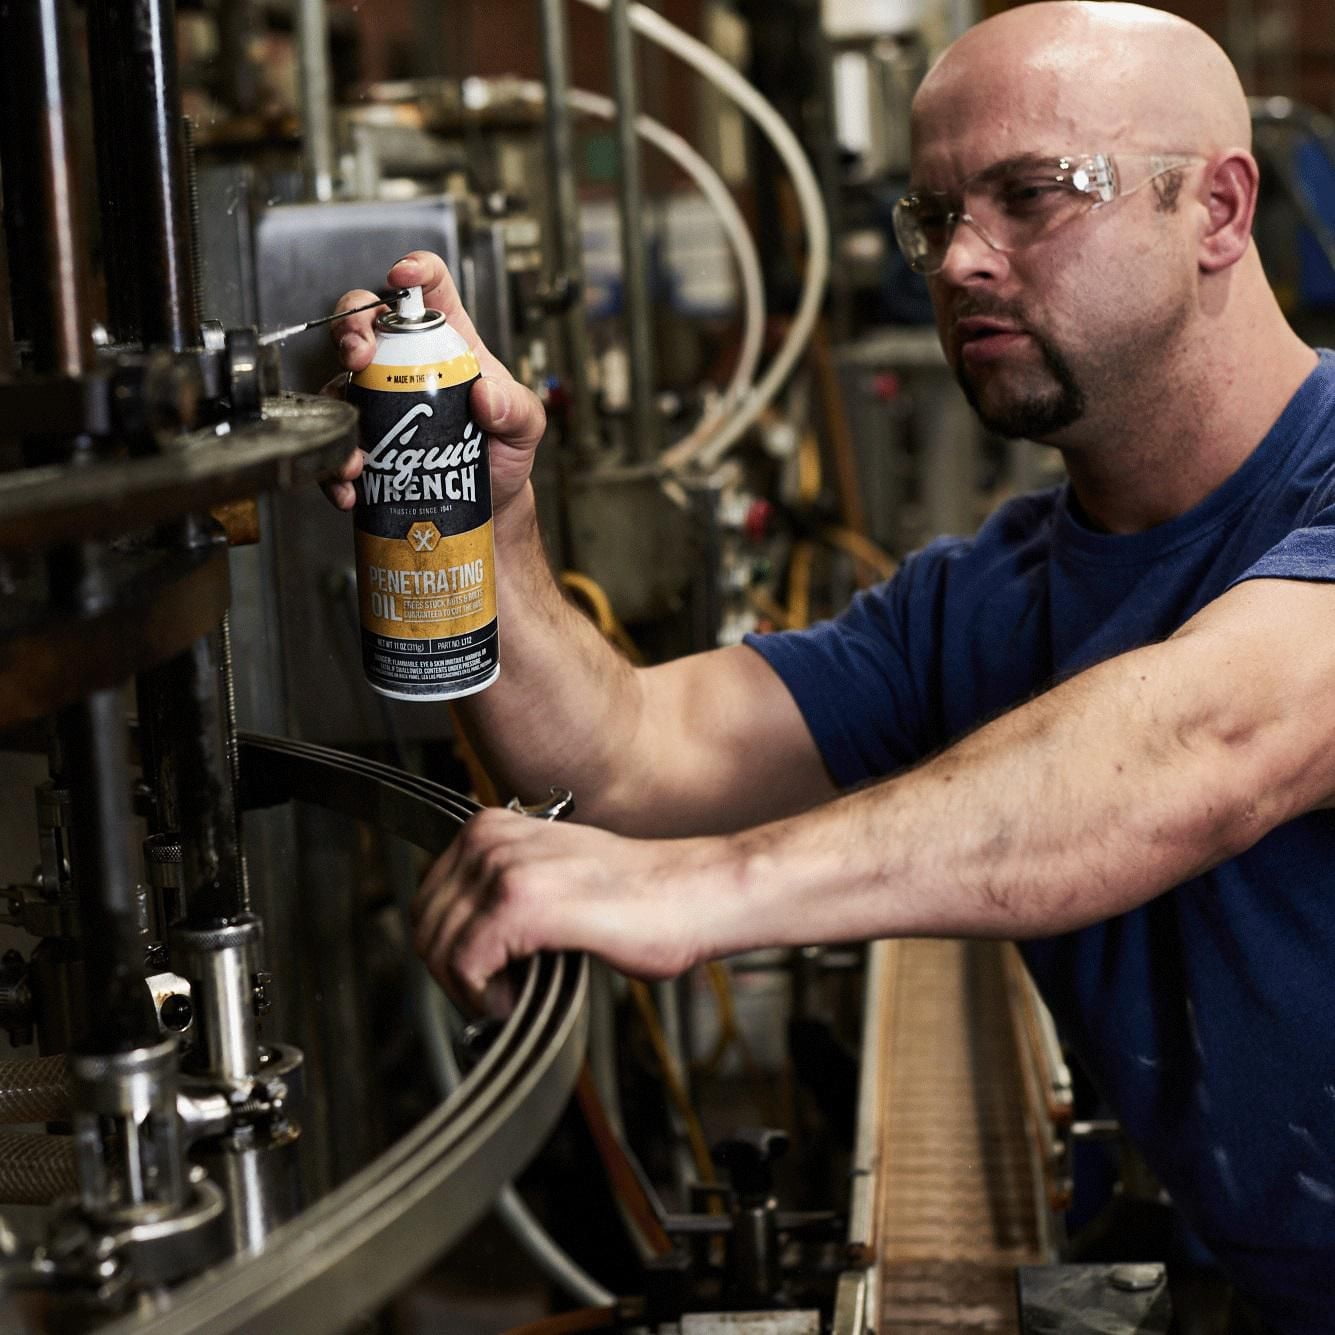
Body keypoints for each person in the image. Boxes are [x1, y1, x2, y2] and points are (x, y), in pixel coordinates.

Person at [327, 3, 1335, 1327]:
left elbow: (1202, 746)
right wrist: (493, 528)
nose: (964, 260)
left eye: (1033, 196)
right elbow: (621, 755)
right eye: (934, 215)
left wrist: (699, 893)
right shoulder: (990, 597)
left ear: (1217, 207)